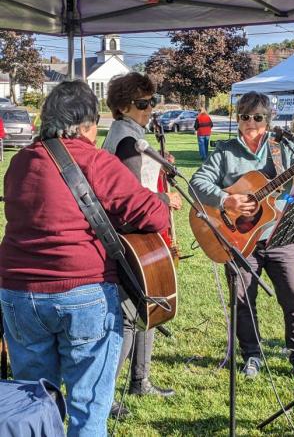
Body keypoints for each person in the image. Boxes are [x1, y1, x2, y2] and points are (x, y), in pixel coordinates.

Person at [0, 80, 170, 437]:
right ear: (87, 124)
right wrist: (163, 200)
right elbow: (153, 215)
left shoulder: (19, 162)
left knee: (36, 405)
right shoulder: (95, 160)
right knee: (89, 410)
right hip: (82, 292)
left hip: (18, 294)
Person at [189, 91, 294, 379]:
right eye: (244, 117)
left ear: (267, 120)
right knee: (243, 299)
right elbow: (197, 182)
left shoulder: (283, 146)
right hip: (239, 240)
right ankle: (252, 354)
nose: (250, 122)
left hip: (280, 235)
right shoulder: (226, 151)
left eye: (256, 117)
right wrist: (225, 200)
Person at [103, 72, 182, 416]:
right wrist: (166, 201)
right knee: (129, 316)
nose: (150, 109)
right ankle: (106, 395)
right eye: (142, 104)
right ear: (122, 107)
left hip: (142, 237)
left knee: (146, 307)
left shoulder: (133, 135)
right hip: (131, 238)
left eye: (152, 102)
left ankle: (141, 381)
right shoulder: (125, 141)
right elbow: (131, 202)